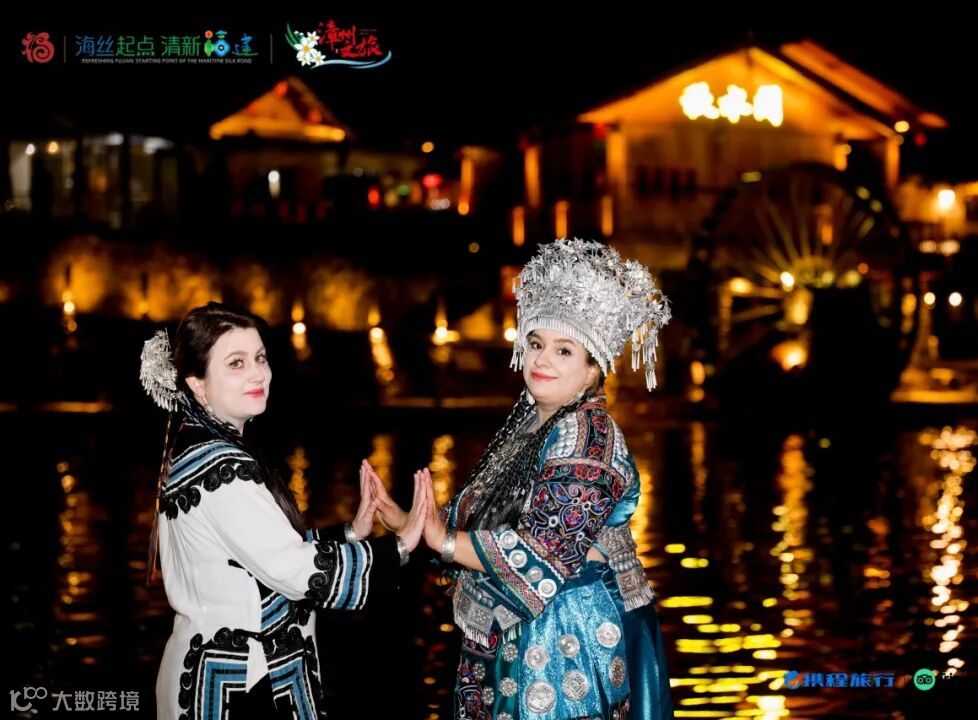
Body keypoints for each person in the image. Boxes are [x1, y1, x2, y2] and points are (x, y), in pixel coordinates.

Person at [372, 238, 675, 719]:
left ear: (592, 370)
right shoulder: (532, 423)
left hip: (567, 633)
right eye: (536, 344)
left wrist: (441, 539)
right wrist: (409, 520)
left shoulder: (589, 439)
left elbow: (543, 552)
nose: (541, 360)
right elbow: (483, 516)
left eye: (563, 350)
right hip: (519, 624)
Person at [139, 302, 431, 719]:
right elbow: (292, 569)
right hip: (241, 684)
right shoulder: (222, 469)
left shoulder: (198, 450)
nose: (258, 373)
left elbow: (256, 555)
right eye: (236, 363)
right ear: (197, 384)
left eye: (260, 358)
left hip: (211, 672)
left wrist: (351, 533)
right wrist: (399, 547)